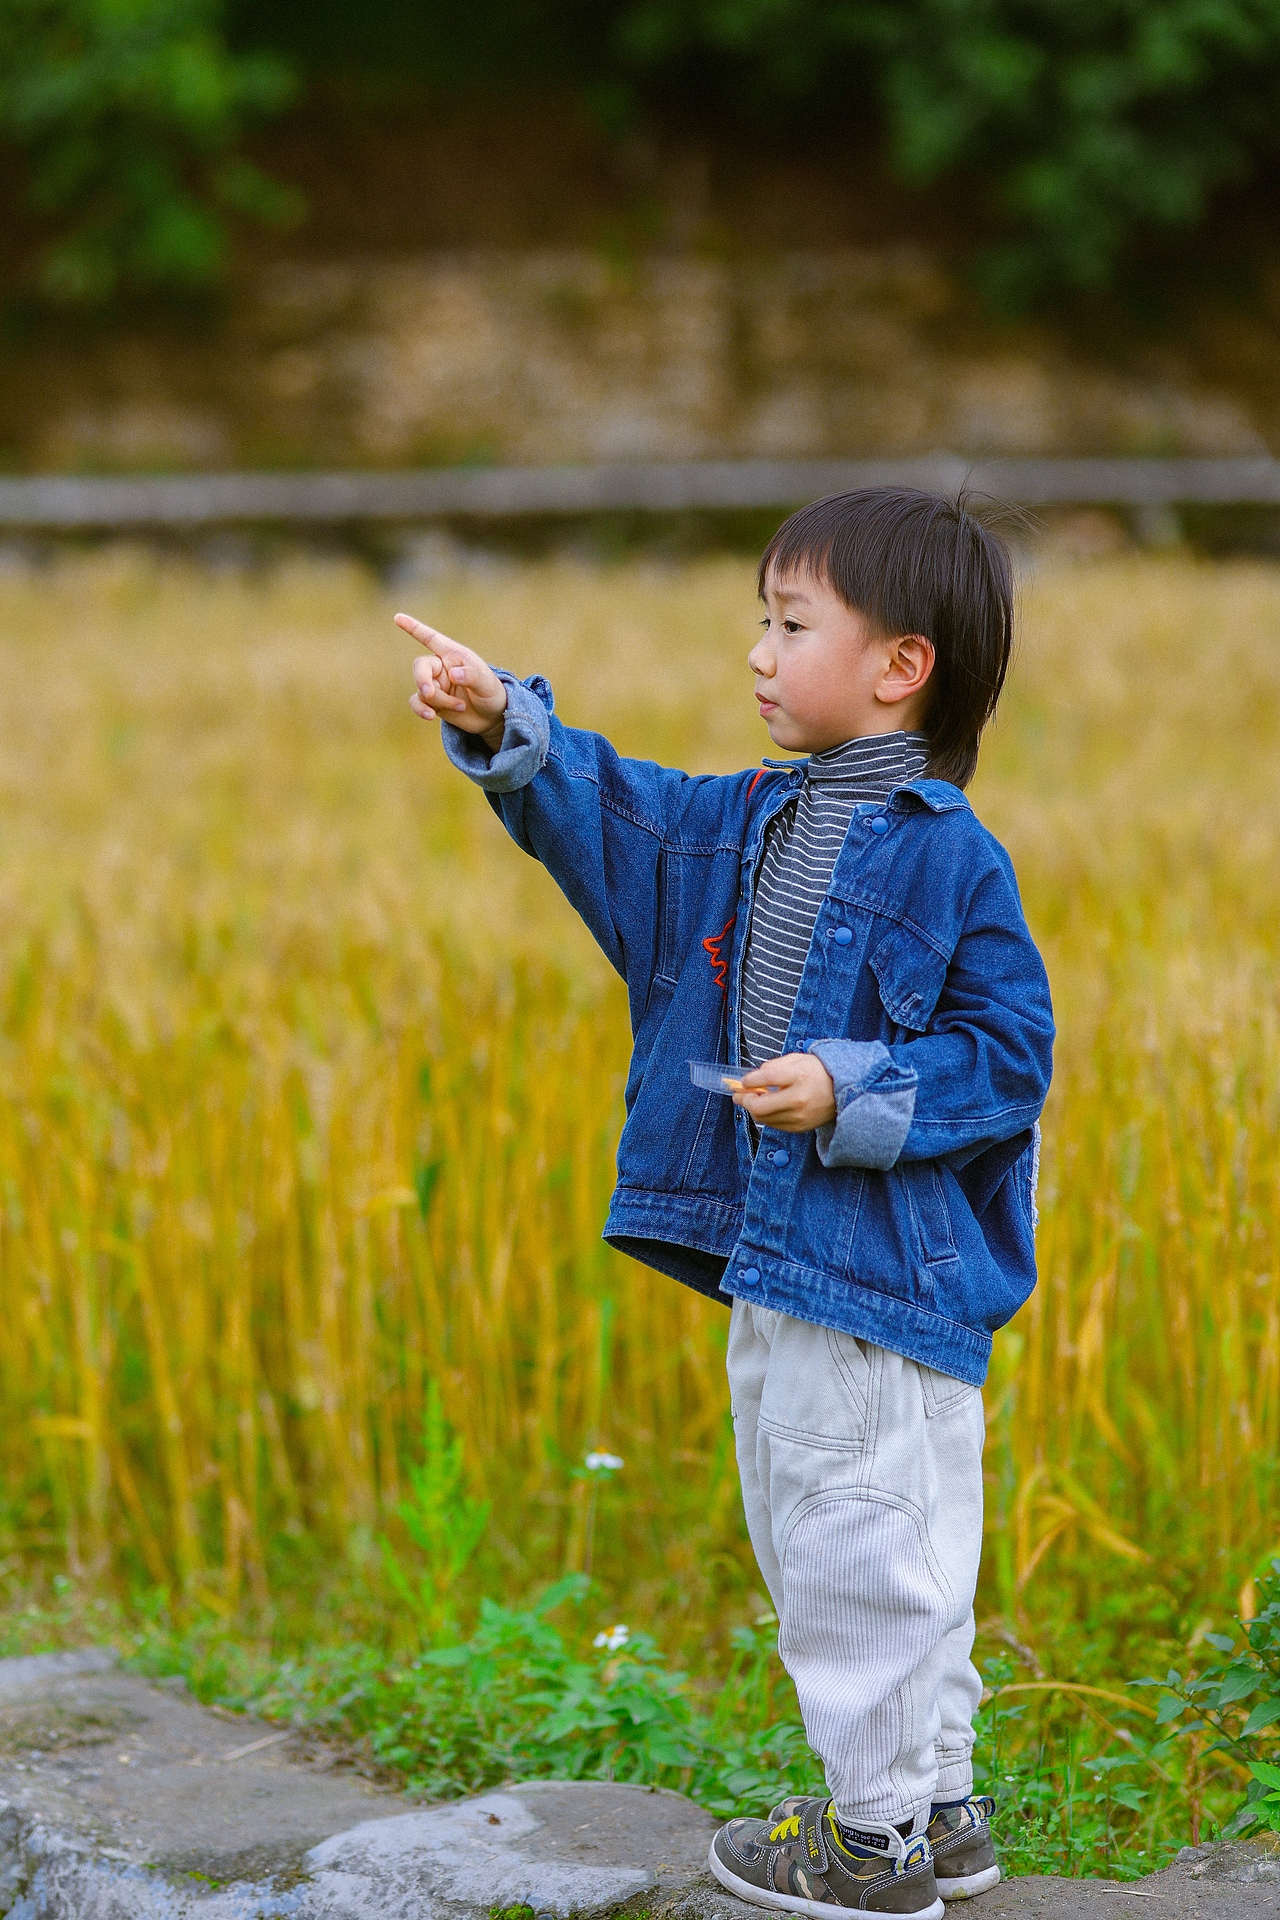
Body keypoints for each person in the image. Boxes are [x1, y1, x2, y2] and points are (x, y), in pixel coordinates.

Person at [396, 487, 1054, 1920]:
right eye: (762, 617)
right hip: (783, 1257)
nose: (757, 650)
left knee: (857, 1542)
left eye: (791, 622)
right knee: (890, 1536)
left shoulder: (948, 854)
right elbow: (615, 821)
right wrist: (510, 725)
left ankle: (871, 1847)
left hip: (867, 1270)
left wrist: (849, 1085)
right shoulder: (741, 822)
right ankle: (938, 1815)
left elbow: (1009, 1057)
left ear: (901, 667)